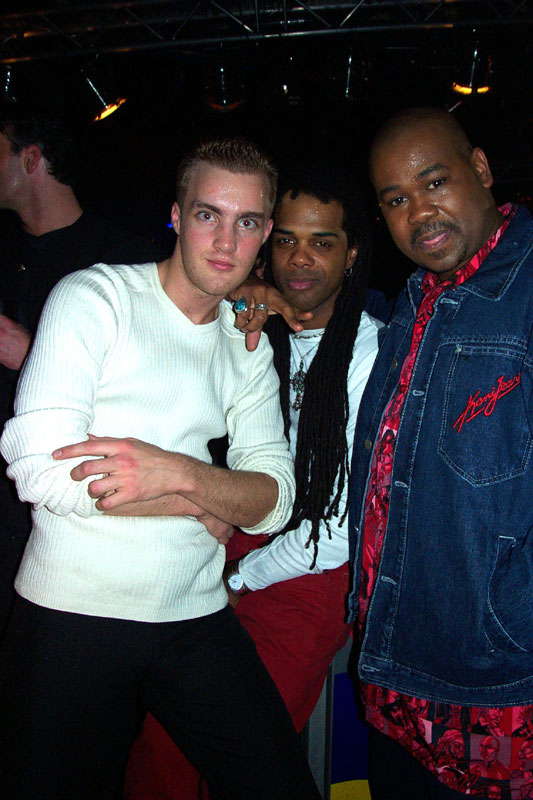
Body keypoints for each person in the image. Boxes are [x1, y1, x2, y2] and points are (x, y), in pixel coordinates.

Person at [0, 138, 320, 800]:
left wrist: (176, 472)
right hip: (72, 616)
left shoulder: (246, 344)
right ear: (176, 215)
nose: (226, 242)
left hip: (196, 617)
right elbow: (38, 469)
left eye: (247, 222)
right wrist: (201, 501)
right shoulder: (96, 297)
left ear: (265, 234)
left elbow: (276, 500)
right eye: (208, 215)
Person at [123, 165, 383, 798]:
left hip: (313, 573)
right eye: (287, 238)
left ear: (351, 253)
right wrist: (250, 297)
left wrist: (239, 578)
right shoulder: (254, 325)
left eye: (322, 242)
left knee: (230, 757)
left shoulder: (370, 352)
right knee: (159, 743)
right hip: (245, 533)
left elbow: (338, 533)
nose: (301, 257)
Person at [346, 106, 533, 799]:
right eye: (395, 199)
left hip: (497, 687)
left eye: (433, 182)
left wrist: (509, 615)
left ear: (479, 169)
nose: (418, 212)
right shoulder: (415, 300)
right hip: (395, 670)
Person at [0, 100, 164, 637]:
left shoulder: (126, 261)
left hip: (69, 524)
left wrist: (31, 354)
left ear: (30, 159)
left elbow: (149, 400)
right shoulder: (5, 251)